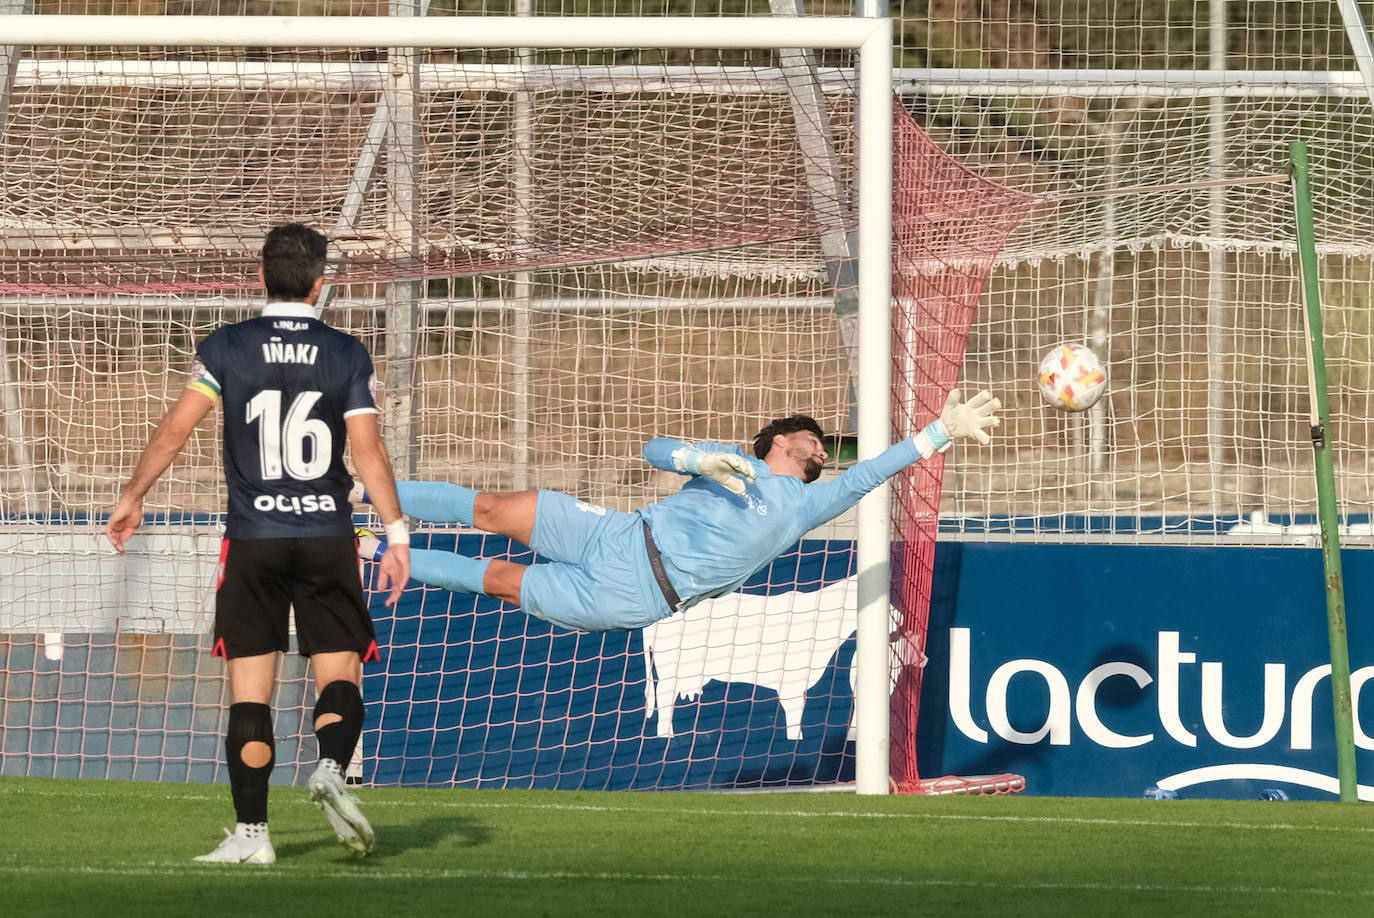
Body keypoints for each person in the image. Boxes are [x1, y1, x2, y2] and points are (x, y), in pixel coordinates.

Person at [104, 224, 411, 865]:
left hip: (254, 539)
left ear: (261, 277)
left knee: (251, 692)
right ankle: (330, 765)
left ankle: (252, 837)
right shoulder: (347, 353)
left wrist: (133, 495)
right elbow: (368, 449)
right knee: (339, 668)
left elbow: (174, 433)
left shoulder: (227, 347)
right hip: (328, 536)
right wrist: (396, 531)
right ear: (321, 280)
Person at [354, 390, 999, 633]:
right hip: (615, 533)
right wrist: (695, 457)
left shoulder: (805, 503)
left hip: (639, 594)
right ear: (783, 439)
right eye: (814, 442)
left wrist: (939, 431)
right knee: (491, 507)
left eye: (822, 449)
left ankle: (363, 548)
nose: (821, 451)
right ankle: (356, 490)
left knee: (496, 577)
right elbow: (651, 449)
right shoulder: (732, 462)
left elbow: (867, 475)